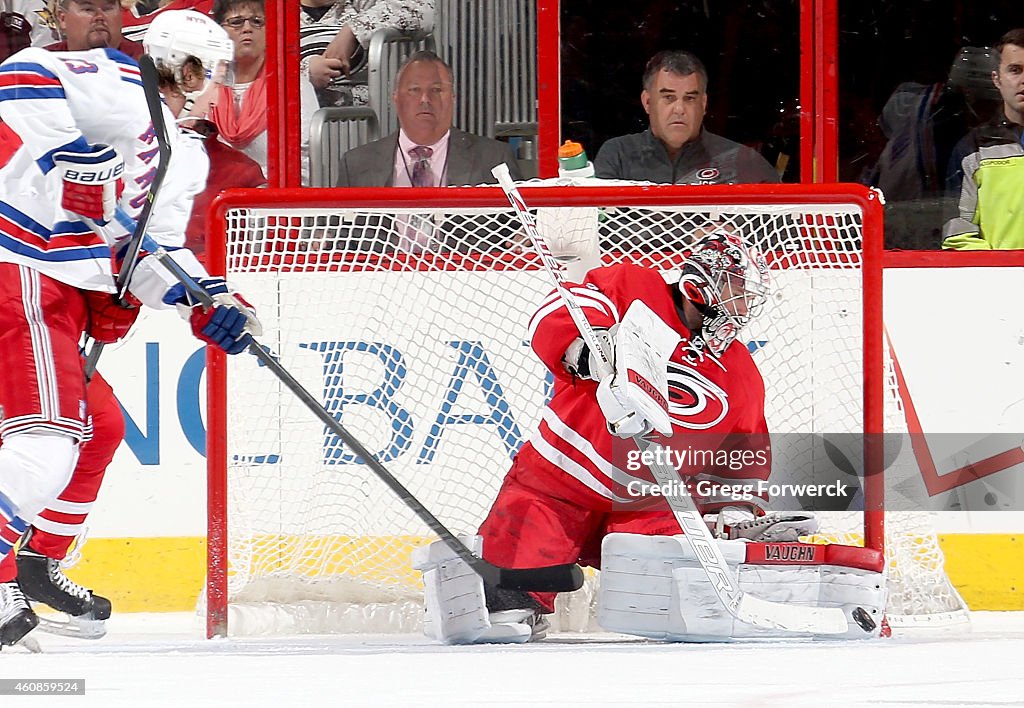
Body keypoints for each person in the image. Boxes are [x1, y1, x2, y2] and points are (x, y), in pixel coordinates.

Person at [413, 231, 819, 644]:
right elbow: (561, 309)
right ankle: (521, 598)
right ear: (702, 283)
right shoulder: (632, 287)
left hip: (650, 503)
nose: (745, 305)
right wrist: (579, 348)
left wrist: (734, 514)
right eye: (738, 290)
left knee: (677, 611)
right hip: (558, 482)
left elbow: (741, 456)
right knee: (501, 611)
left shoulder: (740, 373)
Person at [0, 12, 260, 649]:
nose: (215, 86)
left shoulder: (188, 155)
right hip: (19, 272)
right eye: (212, 70)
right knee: (46, 444)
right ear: (187, 64)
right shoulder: (113, 80)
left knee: (100, 427)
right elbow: (18, 78)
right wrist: (73, 159)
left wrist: (205, 301)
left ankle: (33, 562)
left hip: (61, 300)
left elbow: (150, 252)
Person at [335, 50, 522, 187]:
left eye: (437, 90)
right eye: (414, 90)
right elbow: (338, 234)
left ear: (453, 98)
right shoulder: (356, 164)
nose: (425, 99)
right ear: (396, 98)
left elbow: (521, 227)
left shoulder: (494, 158)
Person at [593, 50, 780, 185]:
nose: (679, 109)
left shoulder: (743, 160)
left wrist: (731, 234)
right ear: (647, 102)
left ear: (704, 104)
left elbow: (780, 228)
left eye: (690, 98)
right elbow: (600, 226)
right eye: (668, 98)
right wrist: (689, 236)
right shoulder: (617, 155)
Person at [209, 0, 318, 184]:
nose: (247, 28)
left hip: (270, 198)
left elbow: (304, 159)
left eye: (257, 21)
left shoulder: (291, 86)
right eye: (236, 22)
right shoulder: (206, 86)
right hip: (214, 199)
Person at [942, 29, 1024, 250]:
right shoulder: (973, 149)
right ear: (996, 79)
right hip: (999, 282)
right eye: (1015, 70)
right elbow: (958, 236)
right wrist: (996, 275)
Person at [300, 0, 434, 109]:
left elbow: (426, 11)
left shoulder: (360, 4)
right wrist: (304, 73)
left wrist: (353, 30)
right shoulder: (282, 15)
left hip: (369, 120)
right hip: (305, 120)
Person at [47, 0, 144, 59]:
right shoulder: (43, 63)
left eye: (107, 8)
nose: (99, 17)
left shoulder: (144, 60)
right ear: (62, 19)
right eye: (88, 9)